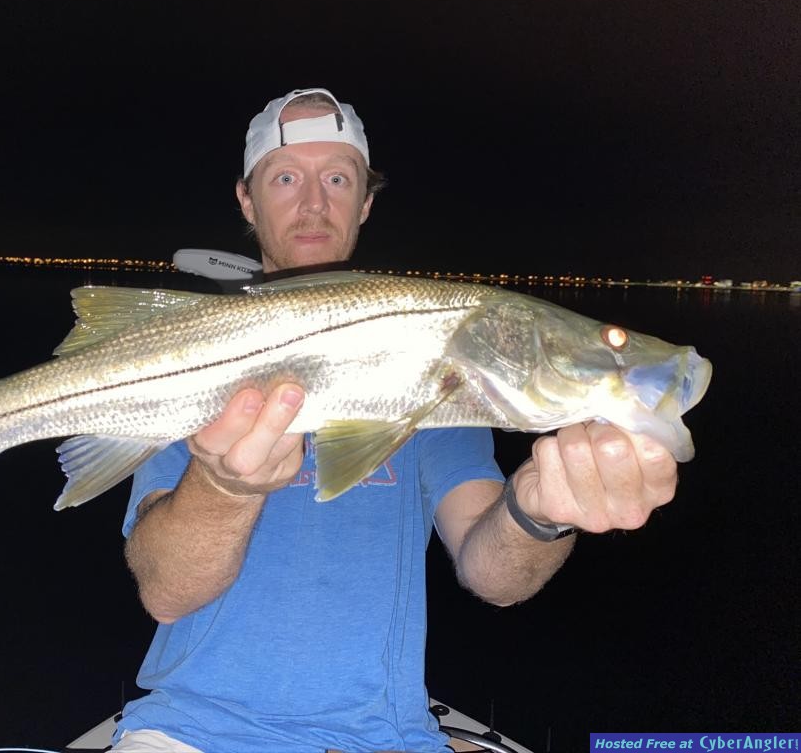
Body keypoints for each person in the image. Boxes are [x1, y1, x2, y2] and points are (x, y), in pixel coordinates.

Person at [112, 88, 678, 753]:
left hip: (387, 738)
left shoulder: (441, 376)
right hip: (192, 731)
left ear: (365, 202)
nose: (313, 203)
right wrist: (224, 487)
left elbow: (495, 577)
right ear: (246, 199)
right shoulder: (188, 357)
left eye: (337, 178)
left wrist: (538, 513)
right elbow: (166, 592)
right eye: (286, 178)